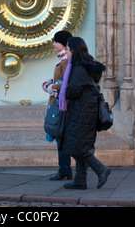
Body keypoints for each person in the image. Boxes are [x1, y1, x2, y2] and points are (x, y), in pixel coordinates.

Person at [61, 37, 111, 190]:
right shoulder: (84, 66)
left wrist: (62, 93)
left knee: (80, 147)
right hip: (85, 110)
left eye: (68, 49)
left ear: (74, 51)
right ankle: (80, 181)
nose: (66, 52)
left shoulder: (79, 69)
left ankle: (101, 169)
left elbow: (74, 91)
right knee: (80, 145)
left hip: (82, 112)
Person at [42, 30, 73, 181]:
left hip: (62, 105)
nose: (53, 44)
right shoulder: (63, 58)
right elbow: (59, 79)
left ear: (64, 43)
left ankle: (65, 170)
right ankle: (65, 170)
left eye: (56, 41)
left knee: (61, 138)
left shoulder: (66, 60)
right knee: (61, 138)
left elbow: (67, 82)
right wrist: (50, 83)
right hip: (59, 103)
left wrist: (52, 87)